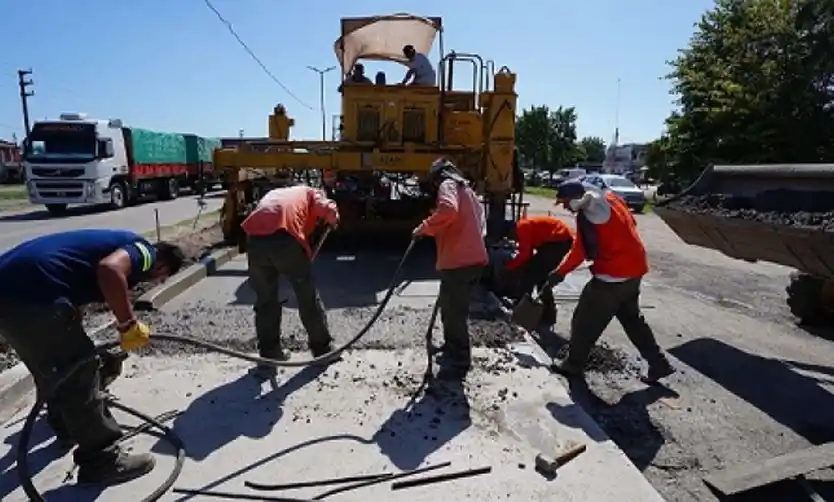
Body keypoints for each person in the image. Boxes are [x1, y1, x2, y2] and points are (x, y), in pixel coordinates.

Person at [0, 230, 185, 486]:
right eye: (161, 277)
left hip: (10, 290)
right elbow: (110, 270)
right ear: (163, 265)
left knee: (53, 368)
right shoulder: (145, 252)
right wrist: (127, 324)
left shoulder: (104, 243)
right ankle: (102, 460)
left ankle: (65, 427)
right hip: (37, 293)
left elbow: (74, 279)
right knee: (80, 373)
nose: (154, 281)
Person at [548, 180, 675, 383]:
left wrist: (559, 273)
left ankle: (573, 365)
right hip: (634, 270)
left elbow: (579, 252)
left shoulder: (587, 216)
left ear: (575, 200)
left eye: (564, 203)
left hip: (611, 278)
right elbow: (632, 223)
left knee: (584, 321)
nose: (564, 207)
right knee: (632, 320)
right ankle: (658, 363)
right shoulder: (612, 198)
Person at [240, 178, 340, 377]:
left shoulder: (277, 193)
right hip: (284, 237)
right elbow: (327, 208)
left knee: (265, 299)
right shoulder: (311, 193)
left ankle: (269, 355)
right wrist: (334, 217)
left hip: (254, 240)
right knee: (306, 295)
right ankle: (322, 350)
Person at [413, 158, 488, 379]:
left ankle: (460, 360)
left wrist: (425, 227)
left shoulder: (448, 185)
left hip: (460, 262)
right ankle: (451, 348)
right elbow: (477, 219)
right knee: (451, 309)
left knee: (455, 313)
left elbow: (448, 210)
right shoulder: (467, 190)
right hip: (471, 260)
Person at [502, 216, 574, 327]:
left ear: (511, 230)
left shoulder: (521, 227)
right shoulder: (523, 226)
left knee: (533, 275)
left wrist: (508, 268)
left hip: (558, 240)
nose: (514, 240)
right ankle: (546, 314)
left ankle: (523, 308)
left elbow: (524, 254)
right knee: (539, 276)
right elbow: (528, 255)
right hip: (557, 240)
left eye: (510, 237)